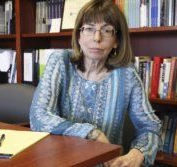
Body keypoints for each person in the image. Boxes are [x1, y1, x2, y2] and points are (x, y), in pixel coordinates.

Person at [30, 0, 161, 166]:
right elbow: (38, 117)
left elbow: (150, 126)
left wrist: (138, 153)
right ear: (79, 35)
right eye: (89, 29)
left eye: (107, 30)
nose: (97, 38)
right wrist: (91, 132)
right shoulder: (60, 61)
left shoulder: (127, 74)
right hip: (58, 162)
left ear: (117, 40)